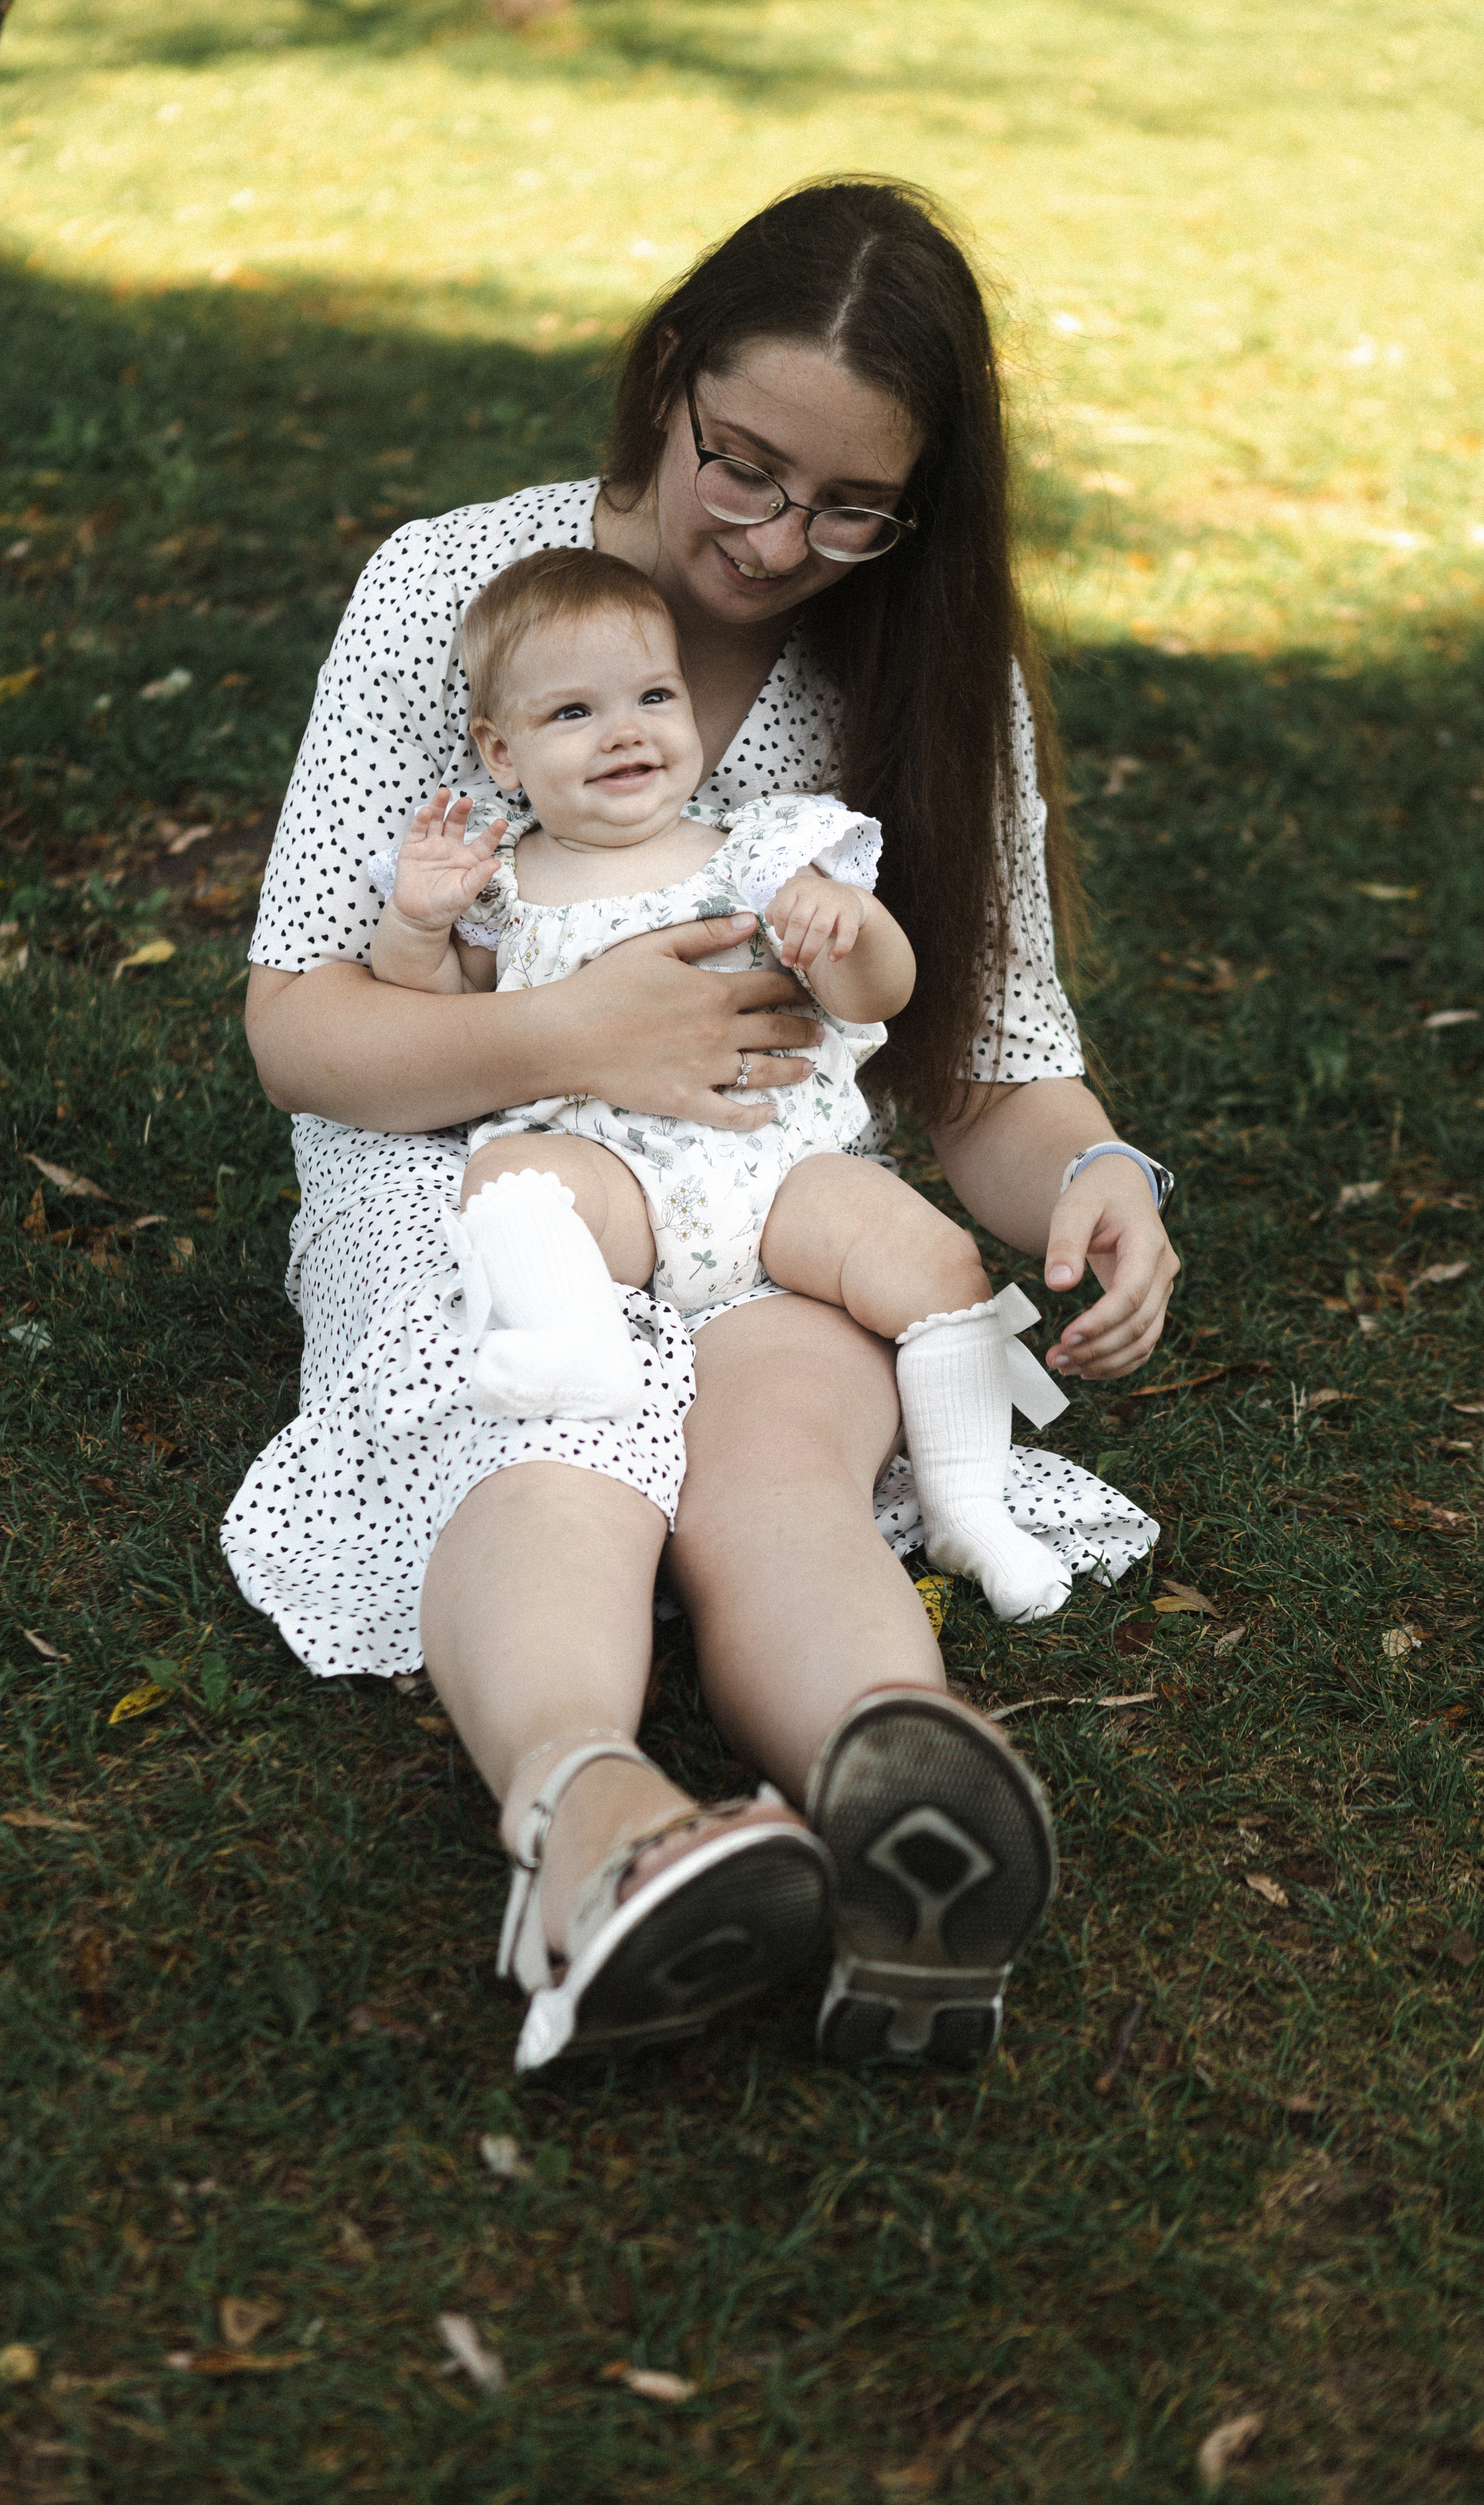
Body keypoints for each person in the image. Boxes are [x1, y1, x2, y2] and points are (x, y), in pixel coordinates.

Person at [226, 176, 1177, 2077]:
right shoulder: (458, 592)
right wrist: (585, 1029)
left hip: (764, 1198)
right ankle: (591, 1831)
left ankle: (910, 1803)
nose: (771, 538)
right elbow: (300, 1028)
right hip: (477, 1180)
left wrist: (1090, 1176)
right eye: (740, 463)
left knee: (782, 1468)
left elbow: (983, 1060)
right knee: (558, 1437)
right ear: (667, 376)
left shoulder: (914, 661)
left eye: (850, 507)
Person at [369, 546, 1080, 1628]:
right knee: (513, 1175)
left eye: (654, 696)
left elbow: (880, 996)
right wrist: (418, 923)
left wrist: (852, 930)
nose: (625, 730)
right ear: (499, 752)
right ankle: (578, 1351)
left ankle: (969, 1507)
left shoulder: (763, 849)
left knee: (934, 1258)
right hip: (619, 1182)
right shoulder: (501, 885)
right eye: (574, 712)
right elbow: (437, 1013)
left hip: (780, 1165)